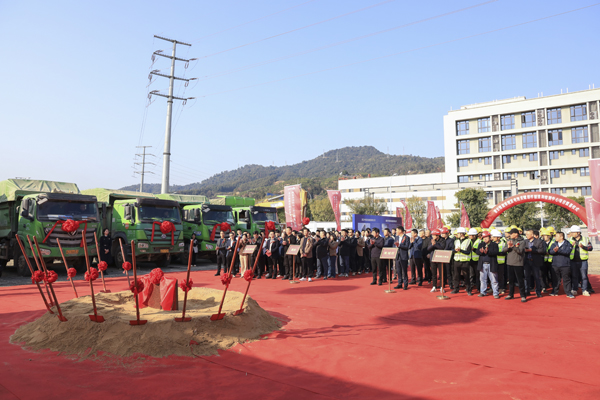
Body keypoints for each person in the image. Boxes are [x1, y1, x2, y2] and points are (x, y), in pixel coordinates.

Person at [568, 225, 593, 296]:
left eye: (573, 232)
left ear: (578, 232)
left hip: (583, 261)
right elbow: (566, 249)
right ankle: (574, 289)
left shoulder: (586, 239)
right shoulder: (569, 240)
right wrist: (571, 246)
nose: (572, 233)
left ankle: (584, 290)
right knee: (574, 276)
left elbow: (590, 248)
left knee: (584, 276)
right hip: (573, 261)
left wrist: (583, 247)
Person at [549, 232, 574, 298]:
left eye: (557, 236)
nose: (555, 237)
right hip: (555, 264)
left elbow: (567, 252)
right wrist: (554, 251)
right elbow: (550, 251)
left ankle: (568, 293)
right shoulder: (554, 244)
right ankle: (554, 291)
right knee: (555, 279)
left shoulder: (568, 244)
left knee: (566, 279)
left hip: (565, 265)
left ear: (561, 237)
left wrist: (558, 250)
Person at [475, 231, 500, 298]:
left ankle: (495, 293)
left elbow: (496, 252)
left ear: (490, 237)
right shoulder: (481, 244)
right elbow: (477, 251)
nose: (485, 239)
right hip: (482, 264)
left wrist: (488, 252)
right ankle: (483, 292)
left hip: (491, 264)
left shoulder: (494, 245)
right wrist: (481, 252)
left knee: (494, 280)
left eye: (486, 237)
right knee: (483, 280)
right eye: (483, 237)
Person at [505, 228, 527, 302]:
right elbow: (504, 250)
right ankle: (511, 294)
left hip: (518, 263)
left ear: (516, 234)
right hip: (509, 262)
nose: (510, 235)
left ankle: (523, 295)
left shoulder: (522, 242)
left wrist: (513, 246)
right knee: (511, 280)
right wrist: (508, 247)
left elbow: (520, 251)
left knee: (520, 280)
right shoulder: (509, 241)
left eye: (511, 234)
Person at [524, 229, 546, 298]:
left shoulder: (539, 241)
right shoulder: (525, 241)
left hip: (535, 261)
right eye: (526, 234)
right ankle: (527, 291)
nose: (526, 235)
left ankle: (538, 291)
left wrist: (531, 250)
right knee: (526, 277)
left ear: (532, 235)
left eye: (528, 234)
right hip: (527, 261)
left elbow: (542, 250)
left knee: (537, 277)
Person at [451, 227, 473, 295]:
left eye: (458, 233)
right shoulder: (456, 241)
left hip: (465, 261)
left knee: (466, 276)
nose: (457, 234)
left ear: (461, 234)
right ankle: (456, 289)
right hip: (457, 260)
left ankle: (468, 290)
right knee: (456, 276)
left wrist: (461, 250)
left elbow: (468, 252)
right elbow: (452, 249)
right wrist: (455, 250)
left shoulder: (469, 241)